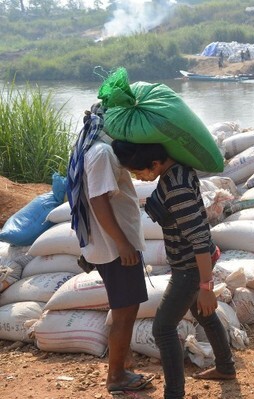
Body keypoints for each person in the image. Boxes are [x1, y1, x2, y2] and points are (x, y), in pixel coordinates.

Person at [111, 140, 236, 399]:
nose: (138, 177)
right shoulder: (176, 170)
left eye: (139, 171)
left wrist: (206, 286)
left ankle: (174, 393)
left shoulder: (176, 187)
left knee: (163, 329)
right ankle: (225, 367)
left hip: (192, 266)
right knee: (204, 314)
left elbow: (200, 240)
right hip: (189, 263)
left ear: (155, 163)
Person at [66, 103, 153, 394]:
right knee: (126, 311)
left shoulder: (93, 147)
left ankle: (123, 367)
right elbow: (98, 201)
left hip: (112, 246)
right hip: (116, 249)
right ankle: (116, 376)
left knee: (124, 309)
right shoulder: (102, 153)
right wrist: (123, 243)